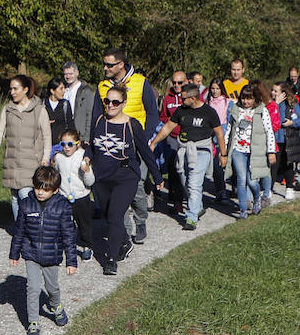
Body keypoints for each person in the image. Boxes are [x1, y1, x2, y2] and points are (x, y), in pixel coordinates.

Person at [87, 82, 161, 275]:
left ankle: (111, 260)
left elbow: (145, 152)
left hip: (125, 177)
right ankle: (125, 242)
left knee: (114, 216)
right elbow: (92, 146)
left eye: (115, 102)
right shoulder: (98, 121)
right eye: (107, 101)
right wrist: (87, 157)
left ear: (123, 103)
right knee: (107, 214)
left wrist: (158, 177)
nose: (110, 105)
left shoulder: (132, 124)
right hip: (102, 177)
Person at [96, 46, 159, 244]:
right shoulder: (102, 86)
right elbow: (99, 116)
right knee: (116, 187)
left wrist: (144, 139)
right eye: (104, 64)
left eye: (109, 64)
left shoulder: (140, 82)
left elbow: (152, 113)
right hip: (113, 146)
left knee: (137, 186)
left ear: (121, 65)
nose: (105, 67)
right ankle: (122, 231)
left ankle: (140, 220)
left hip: (136, 146)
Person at [8, 165, 77, 335]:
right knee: (32, 288)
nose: (40, 192)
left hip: (51, 256)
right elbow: (19, 231)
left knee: (52, 287)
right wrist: (14, 253)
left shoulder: (62, 207)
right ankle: (33, 323)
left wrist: (71, 261)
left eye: (45, 190)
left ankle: (56, 306)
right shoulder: (26, 204)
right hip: (31, 254)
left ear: (54, 191)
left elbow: (69, 236)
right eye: (37, 187)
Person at [149, 83, 225, 230]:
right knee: (185, 182)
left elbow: (219, 133)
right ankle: (198, 207)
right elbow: (167, 128)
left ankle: (191, 218)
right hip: (184, 150)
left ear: (193, 98)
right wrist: (154, 143)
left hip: (202, 150)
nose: (181, 101)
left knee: (194, 183)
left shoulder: (209, 112)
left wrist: (223, 154)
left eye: (184, 99)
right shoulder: (181, 111)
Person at [0, 74, 53, 226]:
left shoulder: (39, 110)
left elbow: (47, 136)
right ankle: (20, 231)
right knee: (15, 197)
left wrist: (45, 157)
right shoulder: (8, 109)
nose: (12, 92)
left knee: (25, 195)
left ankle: (32, 228)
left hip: (32, 161)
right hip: (12, 161)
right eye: (11, 89)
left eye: (15, 89)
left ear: (25, 89)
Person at [225, 85, 276, 219]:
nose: (246, 102)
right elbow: (229, 131)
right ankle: (242, 210)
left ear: (255, 99)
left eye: (249, 99)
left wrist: (271, 151)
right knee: (241, 180)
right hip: (238, 150)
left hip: (255, 151)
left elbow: (269, 131)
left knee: (252, 181)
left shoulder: (261, 110)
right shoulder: (235, 110)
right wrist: (224, 150)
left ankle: (257, 198)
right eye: (243, 98)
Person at [52, 128, 94, 260]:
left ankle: (87, 246)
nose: (66, 148)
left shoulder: (82, 156)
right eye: (63, 144)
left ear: (78, 143)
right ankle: (65, 246)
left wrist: (87, 171)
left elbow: (90, 181)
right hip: (64, 197)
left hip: (81, 196)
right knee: (65, 224)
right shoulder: (59, 157)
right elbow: (57, 176)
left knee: (84, 224)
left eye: (70, 144)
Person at [156, 70, 188, 214]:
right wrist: (168, 123)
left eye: (179, 83)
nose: (176, 85)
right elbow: (163, 117)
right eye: (174, 82)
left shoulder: (191, 96)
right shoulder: (168, 98)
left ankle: (193, 199)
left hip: (188, 138)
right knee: (174, 169)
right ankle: (177, 201)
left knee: (187, 169)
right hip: (172, 137)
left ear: (186, 82)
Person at [271, 82, 300, 198]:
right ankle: (268, 189)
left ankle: (289, 188)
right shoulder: (271, 105)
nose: (273, 93)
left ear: (283, 93)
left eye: (276, 91)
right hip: (274, 139)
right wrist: (276, 104)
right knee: (272, 165)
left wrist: (292, 123)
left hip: (287, 139)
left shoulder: (292, 105)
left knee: (288, 164)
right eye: (272, 90)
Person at [205, 81, 231, 205]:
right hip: (211, 136)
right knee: (217, 165)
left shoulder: (228, 102)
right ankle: (221, 191)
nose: (215, 91)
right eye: (213, 88)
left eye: (217, 88)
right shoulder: (207, 102)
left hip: (224, 134)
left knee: (228, 163)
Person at [61, 60, 95, 144]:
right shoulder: (63, 90)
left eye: (71, 74)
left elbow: (90, 114)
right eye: (66, 74)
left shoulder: (86, 91)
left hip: (80, 133)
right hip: (65, 133)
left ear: (77, 73)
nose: (68, 77)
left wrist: (87, 136)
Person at [43, 77, 75, 153]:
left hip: (62, 146)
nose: (64, 91)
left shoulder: (65, 104)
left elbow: (70, 123)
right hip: (45, 146)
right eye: (61, 89)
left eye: (64, 88)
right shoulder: (43, 105)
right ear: (52, 91)